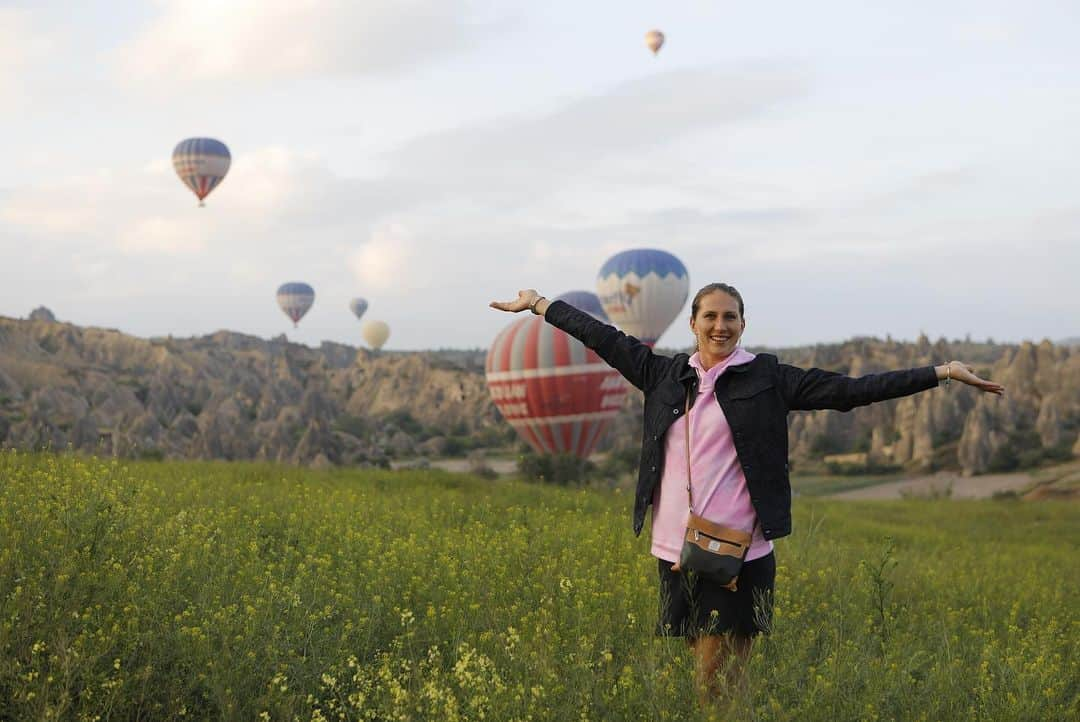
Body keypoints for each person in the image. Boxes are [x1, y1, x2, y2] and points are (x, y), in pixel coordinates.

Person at [490, 283, 1004, 710]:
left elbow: (852, 390)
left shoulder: (770, 379)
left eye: (730, 317)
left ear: (743, 323)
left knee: (713, 678)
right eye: (710, 316)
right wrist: (540, 305)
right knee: (712, 667)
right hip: (676, 550)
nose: (720, 326)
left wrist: (942, 372)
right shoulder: (664, 375)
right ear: (692, 323)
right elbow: (604, 337)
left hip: (739, 552)